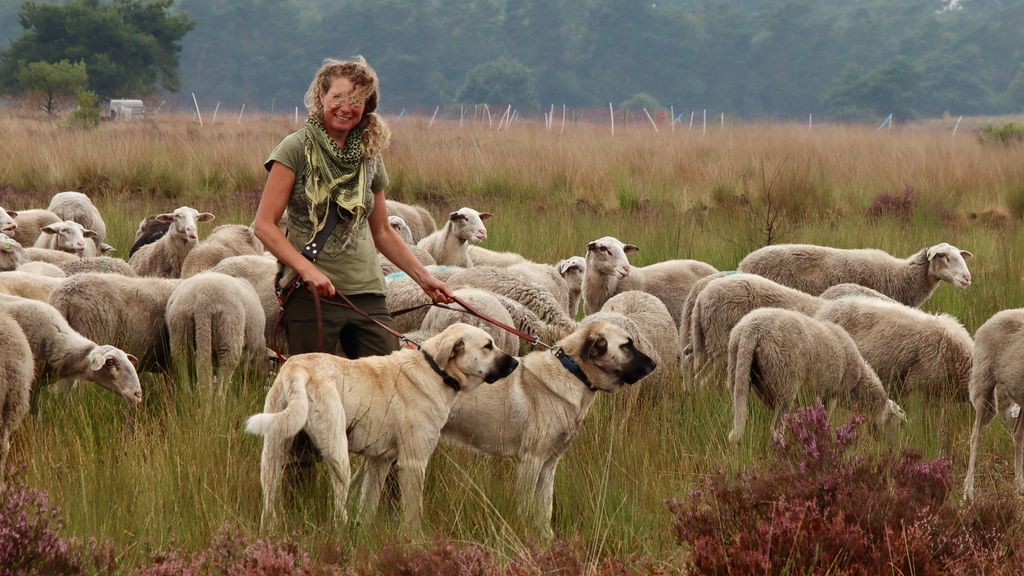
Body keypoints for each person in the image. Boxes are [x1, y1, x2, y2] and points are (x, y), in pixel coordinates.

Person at [254, 56, 453, 359]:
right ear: (321, 97)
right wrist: (307, 270)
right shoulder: (294, 148)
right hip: (313, 295)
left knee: (387, 385)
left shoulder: (369, 154)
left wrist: (425, 278)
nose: (346, 107)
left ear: (367, 106)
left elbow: (383, 232)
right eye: (338, 97)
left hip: (368, 292)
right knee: (317, 391)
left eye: (357, 100)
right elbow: (264, 225)